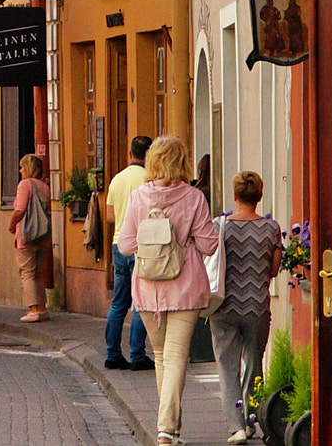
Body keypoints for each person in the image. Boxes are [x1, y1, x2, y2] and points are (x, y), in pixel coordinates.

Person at [115, 135, 218, 446]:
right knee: (175, 358)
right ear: (181, 161)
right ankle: (166, 429)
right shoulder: (194, 197)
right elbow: (209, 244)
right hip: (185, 287)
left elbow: (125, 245)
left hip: (147, 289)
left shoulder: (138, 196)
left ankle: (170, 428)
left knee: (161, 357)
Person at [209, 172, 280, 445]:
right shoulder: (271, 229)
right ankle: (252, 419)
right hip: (257, 306)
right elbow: (273, 270)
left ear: (235, 196)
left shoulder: (219, 226)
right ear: (259, 196)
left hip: (223, 305)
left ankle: (235, 426)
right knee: (254, 364)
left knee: (227, 367)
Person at [102, 135, 153, 370]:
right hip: (143, 245)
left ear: (130, 153)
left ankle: (112, 354)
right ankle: (137, 354)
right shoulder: (150, 180)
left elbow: (110, 217)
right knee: (140, 302)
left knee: (119, 302)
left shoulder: (117, 179)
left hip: (119, 243)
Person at [9, 153, 52, 322]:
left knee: (27, 273)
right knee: (38, 273)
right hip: (43, 235)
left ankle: (33, 309)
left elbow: (20, 209)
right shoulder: (45, 186)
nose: (20, 170)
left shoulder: (25, 185)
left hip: (27, 234)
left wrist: (12, 225)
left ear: (28, 168)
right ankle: (42, 307)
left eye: (22, 167)